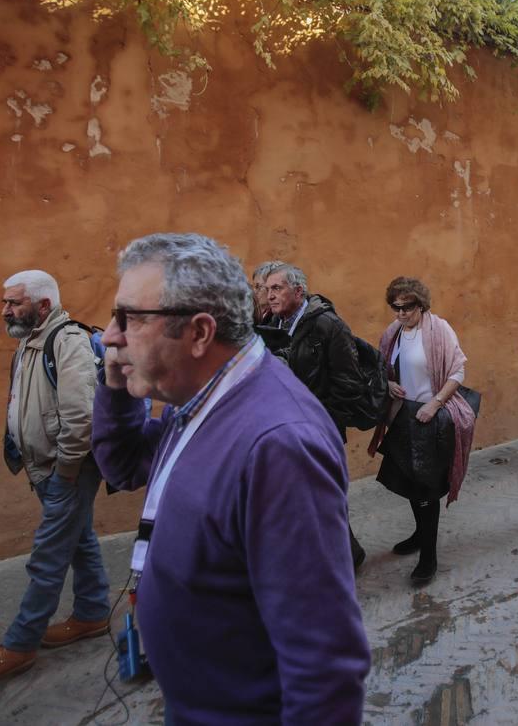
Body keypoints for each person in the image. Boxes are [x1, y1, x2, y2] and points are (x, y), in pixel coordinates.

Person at [91, 233, 370, 723]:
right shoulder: (201, 397)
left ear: (199, 333)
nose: (110, 337)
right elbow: (125, 464)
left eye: (130, 319)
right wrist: (117, 386)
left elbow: (324, 665)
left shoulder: (279, 446)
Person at [0, 270, 110, 681]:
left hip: (66, 469)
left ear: (44, 305)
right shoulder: (30, 340)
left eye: (14, 303)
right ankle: (93, 613)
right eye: (5, 302)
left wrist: (64, 470)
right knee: (79, 540)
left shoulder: (67, 342)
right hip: (43, 467)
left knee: (47, 556)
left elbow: (81, 418)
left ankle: (21, 643)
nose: (5, 310)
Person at [365, 277, 476, 586]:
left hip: (431, 417)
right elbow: (381, 368)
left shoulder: (439, 330)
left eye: (407, 307)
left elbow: (457, 370)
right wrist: (388, 384)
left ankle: (429, 556)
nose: (400, 313)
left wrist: (436, 403)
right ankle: (419, 535)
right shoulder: (393, 333)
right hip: (404, 417)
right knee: (412, 484)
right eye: (395, 307)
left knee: (427, 489)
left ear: (421, 305)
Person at [260, 262, 370, 569]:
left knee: (324, 494)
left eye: (276, 288)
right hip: (288, 426)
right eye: (267, 289)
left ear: (298, 291)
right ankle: (342, 552)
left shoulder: (328, 326)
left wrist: (318, 418)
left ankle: (344, 559)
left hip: (319, 425)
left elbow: (350, 384)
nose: (269, 296)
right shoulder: (276, 323)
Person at [250, 259, 285, 324]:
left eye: (258, 287)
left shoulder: (280, 318)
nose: (253, 292)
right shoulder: (252, 312)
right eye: (253, 286)